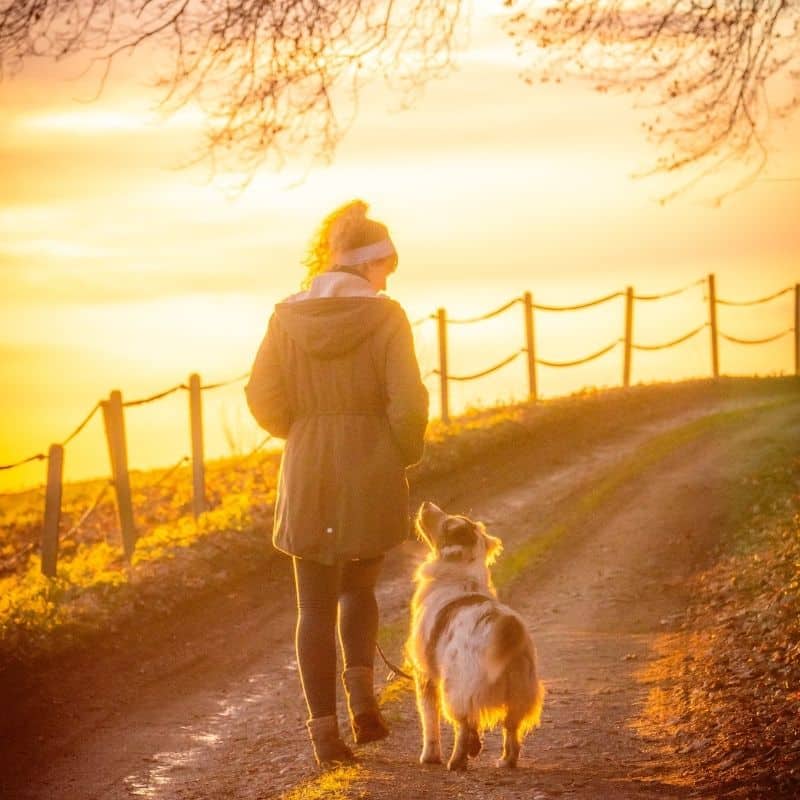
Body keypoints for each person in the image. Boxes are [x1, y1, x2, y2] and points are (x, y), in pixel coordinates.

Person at [244, 199, 429, 768]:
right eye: (386, 270)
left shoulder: (285, 316)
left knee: (313, 604)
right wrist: (398, 454)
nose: (387, 281)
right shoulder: (388, 315)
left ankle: (325, 733)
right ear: (373, 264)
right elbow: (410, 402)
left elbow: (261, 396)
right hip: (369, 464)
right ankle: (363, 704)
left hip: (307, 466)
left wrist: (302, 431)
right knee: (359, 589)